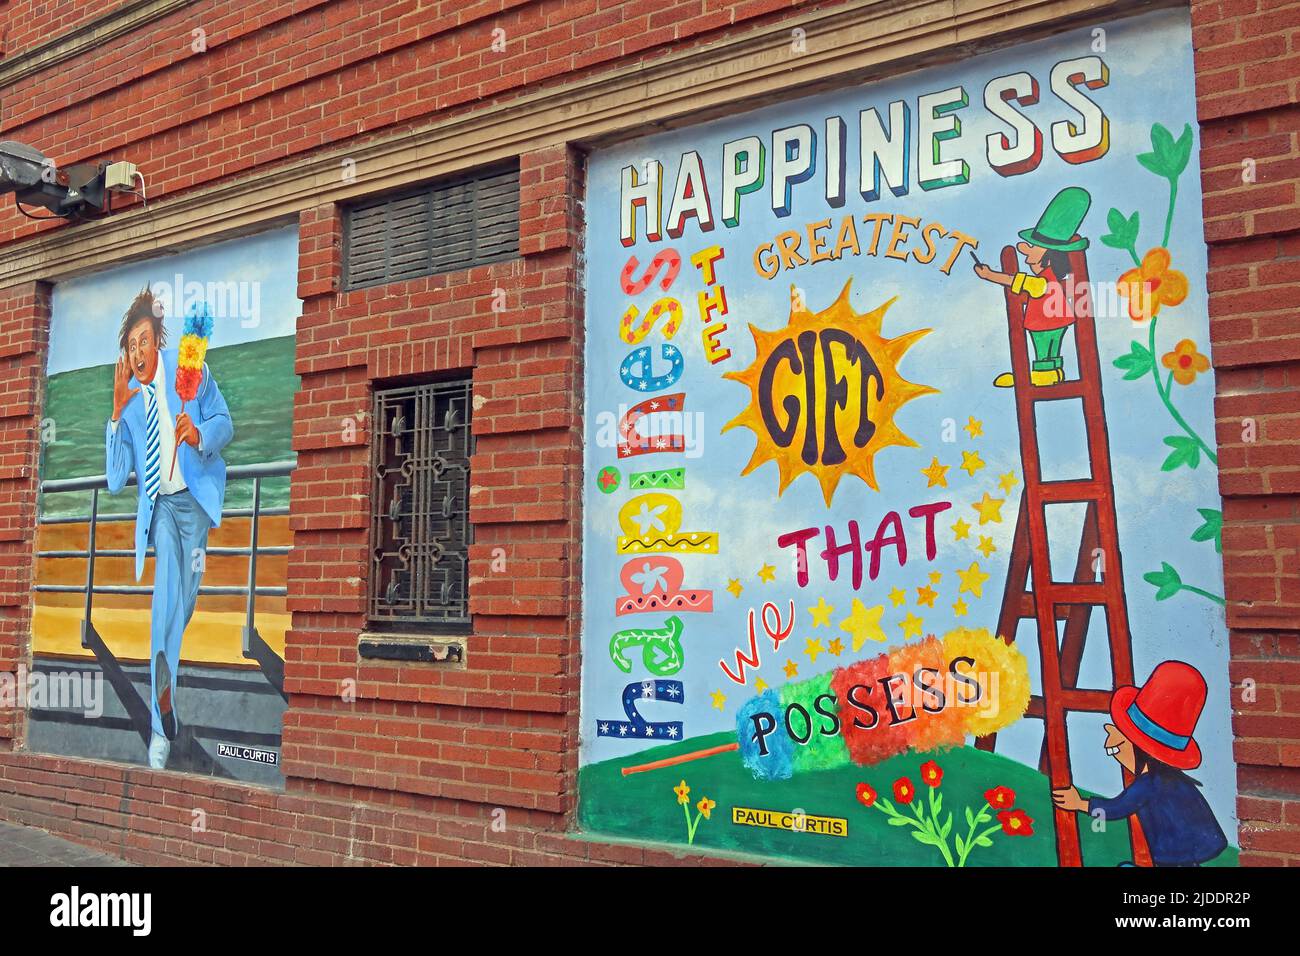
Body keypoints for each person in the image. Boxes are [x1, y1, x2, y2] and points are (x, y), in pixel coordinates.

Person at [105, 288, 232, 769]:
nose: (137, 353)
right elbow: (118, 479)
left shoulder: (191, 375)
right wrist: (116, 414)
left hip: (195, 506)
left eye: (143, 341)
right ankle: (161, 731)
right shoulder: (131, 403)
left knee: (185, 601)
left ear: (159, 340)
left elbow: (226, 423)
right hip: (159, 509)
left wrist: (198, 434)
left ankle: (167, 688)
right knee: (165, 603)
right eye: (130, 347)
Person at [1052, 660, 1228, 866]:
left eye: (1120, 744)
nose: (1114, 751)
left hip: (1173, 859)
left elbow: (1117, 807)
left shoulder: (1150, 784)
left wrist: (1079, 803)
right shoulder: (1175, 783)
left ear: (1139, 747)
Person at [973, 186, 1091, 388]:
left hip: (1044, 322)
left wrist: (989, 275)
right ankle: (1055, 371)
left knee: (1043, 350)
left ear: (1048, 254)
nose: (1025, 251)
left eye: (1032, 248)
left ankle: (1044, 375)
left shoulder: (1043, 281)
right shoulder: (1053, 277)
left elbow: (1018, 282)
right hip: (1059, 319)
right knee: (1053, 349)